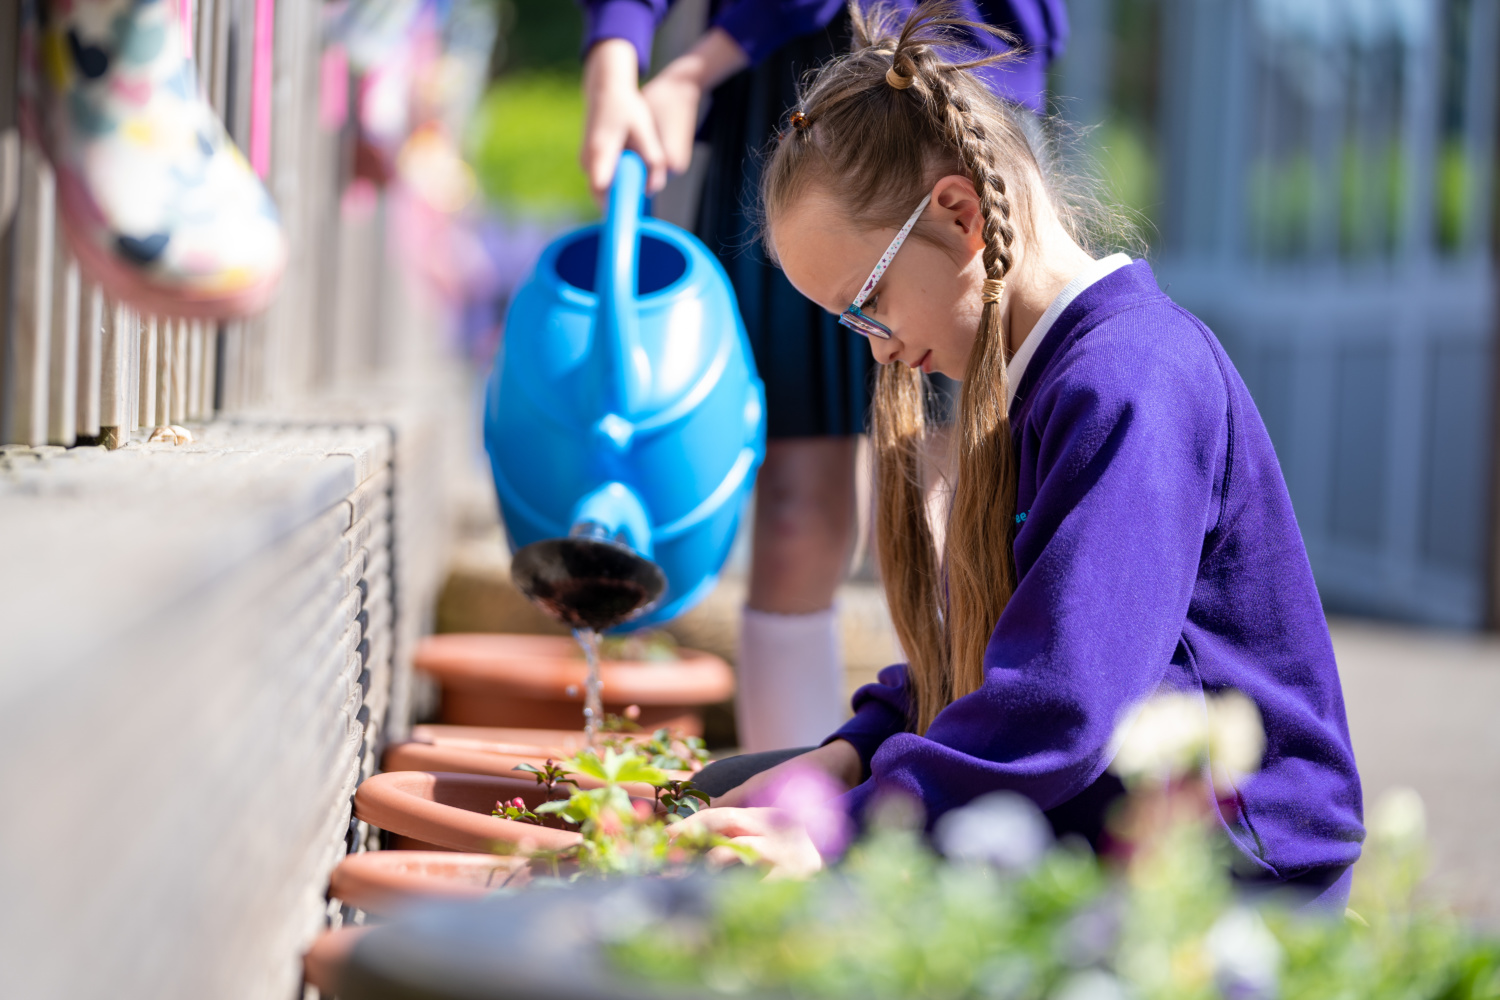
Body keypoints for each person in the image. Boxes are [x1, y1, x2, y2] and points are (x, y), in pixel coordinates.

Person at [681, 1, 1365, 909]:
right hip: (1103, 816)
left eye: (867, 303)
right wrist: (847, 752)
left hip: (1231, 872)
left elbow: (1058, 703)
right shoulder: (1046, 374)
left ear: (958, 215)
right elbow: (1009, 642)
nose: (875, 347)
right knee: (719, 792)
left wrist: (844, 829)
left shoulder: (1130, 380)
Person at [577, 0, 1069, 753]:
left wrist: (694, 64)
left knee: (965, 510)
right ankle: (791, 821)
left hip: (948, 59)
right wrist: (616, 51)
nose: (880, 347)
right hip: (783, 100)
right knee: (796, 516)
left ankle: (967, 812)